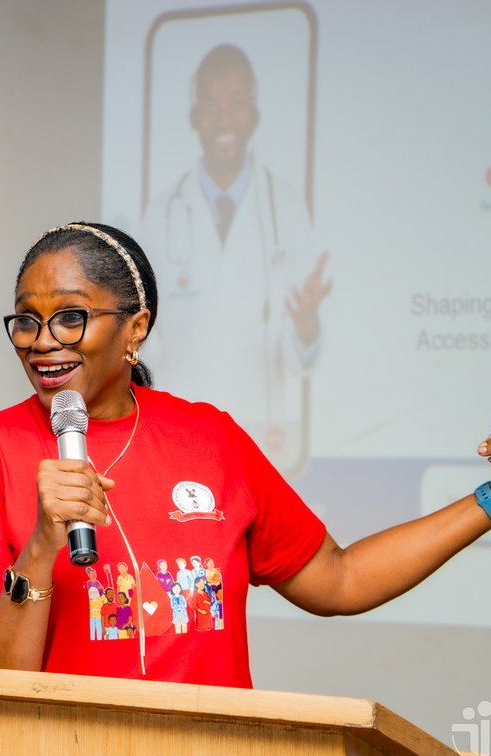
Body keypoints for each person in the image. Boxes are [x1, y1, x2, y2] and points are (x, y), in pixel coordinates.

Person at [0, 221, 491, 688]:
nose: (43, 343)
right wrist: (43, 550)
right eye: (27, 321)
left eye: (71, 318)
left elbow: (338, 580)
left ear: (135, 328)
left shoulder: (208, 439)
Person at [139, 44, 331, 475]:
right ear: (194, 118)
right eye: (211, 105)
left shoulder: (287, 207)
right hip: (178, 438)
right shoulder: (160, 213)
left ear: (254, 114)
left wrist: (305, 325)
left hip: (261, 437)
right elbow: (145, 345)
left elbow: (299, 360)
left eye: (237, 103)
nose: (224, 118)